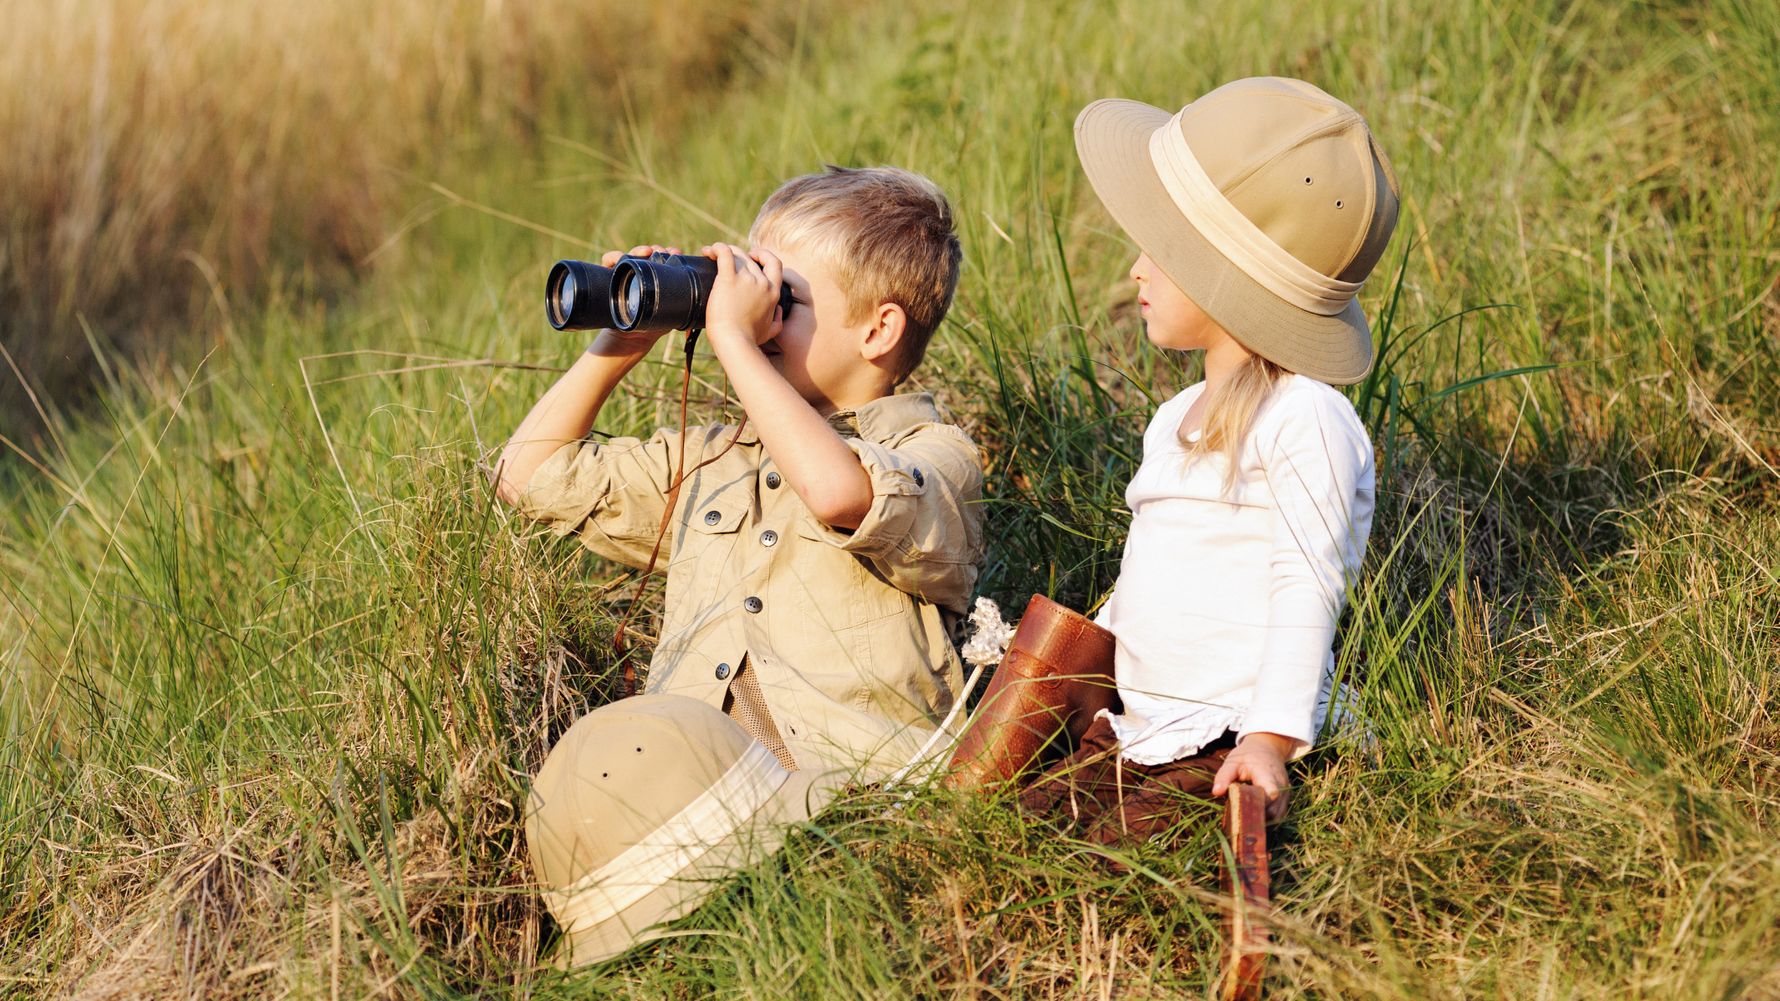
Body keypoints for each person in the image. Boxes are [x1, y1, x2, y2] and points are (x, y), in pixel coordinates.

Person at [495, 166, 983, 782]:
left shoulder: (937, 454)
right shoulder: (716, 461)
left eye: (783, 300)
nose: (757, 316)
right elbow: (526, 474)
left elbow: (838, 492)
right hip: (703, 790)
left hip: (851, 796)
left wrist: (733, 338)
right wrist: (621, 341)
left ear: (878, 330)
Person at [1018, 77, 1398, 845]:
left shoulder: (1305, 418)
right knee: (1026, 828)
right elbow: (1154, 565)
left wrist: (1270, 736)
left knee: (1133, 862)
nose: (1134, 269)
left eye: (1161, 249)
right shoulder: (1170, 419)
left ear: (1226, 277)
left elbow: (1307, 583)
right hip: (1140, 723)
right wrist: (1080, 661)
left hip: (1226, 727)